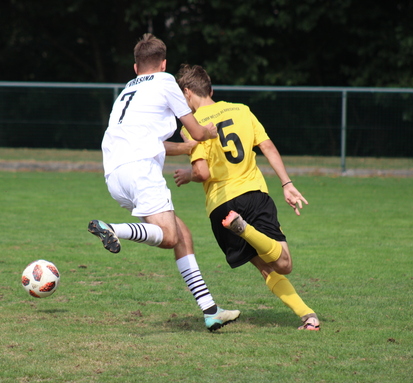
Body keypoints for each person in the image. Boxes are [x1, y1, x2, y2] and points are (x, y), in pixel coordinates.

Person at [87, 34, 240, 331]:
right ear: (164, 63)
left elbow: (152, 142)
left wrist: (184, 149)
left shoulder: (124, 94)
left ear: (135, 68)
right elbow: (196, 131)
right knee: (169, 236)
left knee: (182, 233)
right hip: (141, 170)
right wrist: (208, 133)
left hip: (115, 174)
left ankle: (210, 310)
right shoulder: (166, 81)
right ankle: (113, 229)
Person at [165, 64, 320, 331]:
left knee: (266, 267)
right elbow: (267, 146)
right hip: (253, 194)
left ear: (188, 93)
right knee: (284, 263)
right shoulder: (242, 110)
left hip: (221, 207)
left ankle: (308, 316)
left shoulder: (192, 126)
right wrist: (287, 183)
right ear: (210, 90)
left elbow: (202, 172)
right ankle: (308, 316)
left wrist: (189, 176)